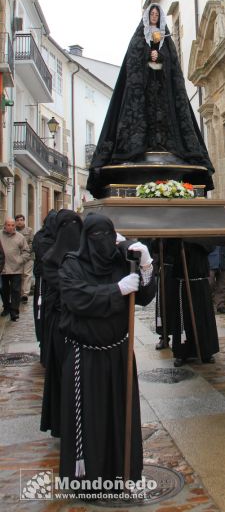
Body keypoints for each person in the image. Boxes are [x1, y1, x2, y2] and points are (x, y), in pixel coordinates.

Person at [58, 214, 156, 494]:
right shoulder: (72, 264)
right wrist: (116, 290)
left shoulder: (120, 261)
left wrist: (147, 266)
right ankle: (89, 480)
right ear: (86, 238)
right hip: (85, 356)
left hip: (118, 353)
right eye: (95, 236)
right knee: (91, 418)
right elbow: (77, 298)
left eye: (107, 235)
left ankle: (121, 471)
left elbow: (145, 297)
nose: (102, 243)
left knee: (118, 415)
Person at [87, 3, 214, 197]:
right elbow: (132, 62)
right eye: (152, 14)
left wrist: (160, 55)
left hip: (163, 92)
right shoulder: (138, 39)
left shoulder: (167, 40)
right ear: (148, 17)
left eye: (157, 14)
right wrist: (148, 54)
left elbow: (173, 66)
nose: (154, 16)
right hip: (142, 93)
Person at [40, 210, 83, 438]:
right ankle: (62, 421)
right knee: (63, 373)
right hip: (61, 324)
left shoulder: (85, 255)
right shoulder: (51, 259)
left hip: (82, 326)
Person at [164, 239, 219, 367]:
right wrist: (179, 241)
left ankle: (206, 351)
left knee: (203, 317)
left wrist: (193, 240)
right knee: (183, 318)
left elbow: (210, 246)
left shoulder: (201, 229)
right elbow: (168, 250)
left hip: (200, 279)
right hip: (182, 279)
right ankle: (181, 353)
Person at [32, 210, 57, 358]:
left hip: (51, 281)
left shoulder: (58, 237)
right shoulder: (40, 237)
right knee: (41, 311)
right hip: (43, 280)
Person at [0, 217, 29, 321]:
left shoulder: (20, 237)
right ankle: (6, 308)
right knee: (4, 290)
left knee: (16, 290)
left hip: (16, 269)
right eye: (9, 225)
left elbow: (26, 251)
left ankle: (14, 311)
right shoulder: (0, 235)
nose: (11, 227)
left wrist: (20, 260)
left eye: (13, 225)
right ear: (5, 225)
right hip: (3, 269)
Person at [15, 214, 34, 302]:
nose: (20, 221)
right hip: (16, 257)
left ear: (24, 221)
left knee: (27, 274)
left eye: (21, 220)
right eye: (18, 220)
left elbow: (32, 242)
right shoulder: (13, 231)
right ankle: (21, 293)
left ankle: (25, 294)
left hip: (28, 257)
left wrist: (26, 251)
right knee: (20, 275)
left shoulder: (29, 230)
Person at [208, 244, 225, 314]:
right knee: (209, 283)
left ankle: (221, 305)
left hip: (223, 260)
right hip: (210, 261)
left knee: (222, 285)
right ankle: (208, 303)